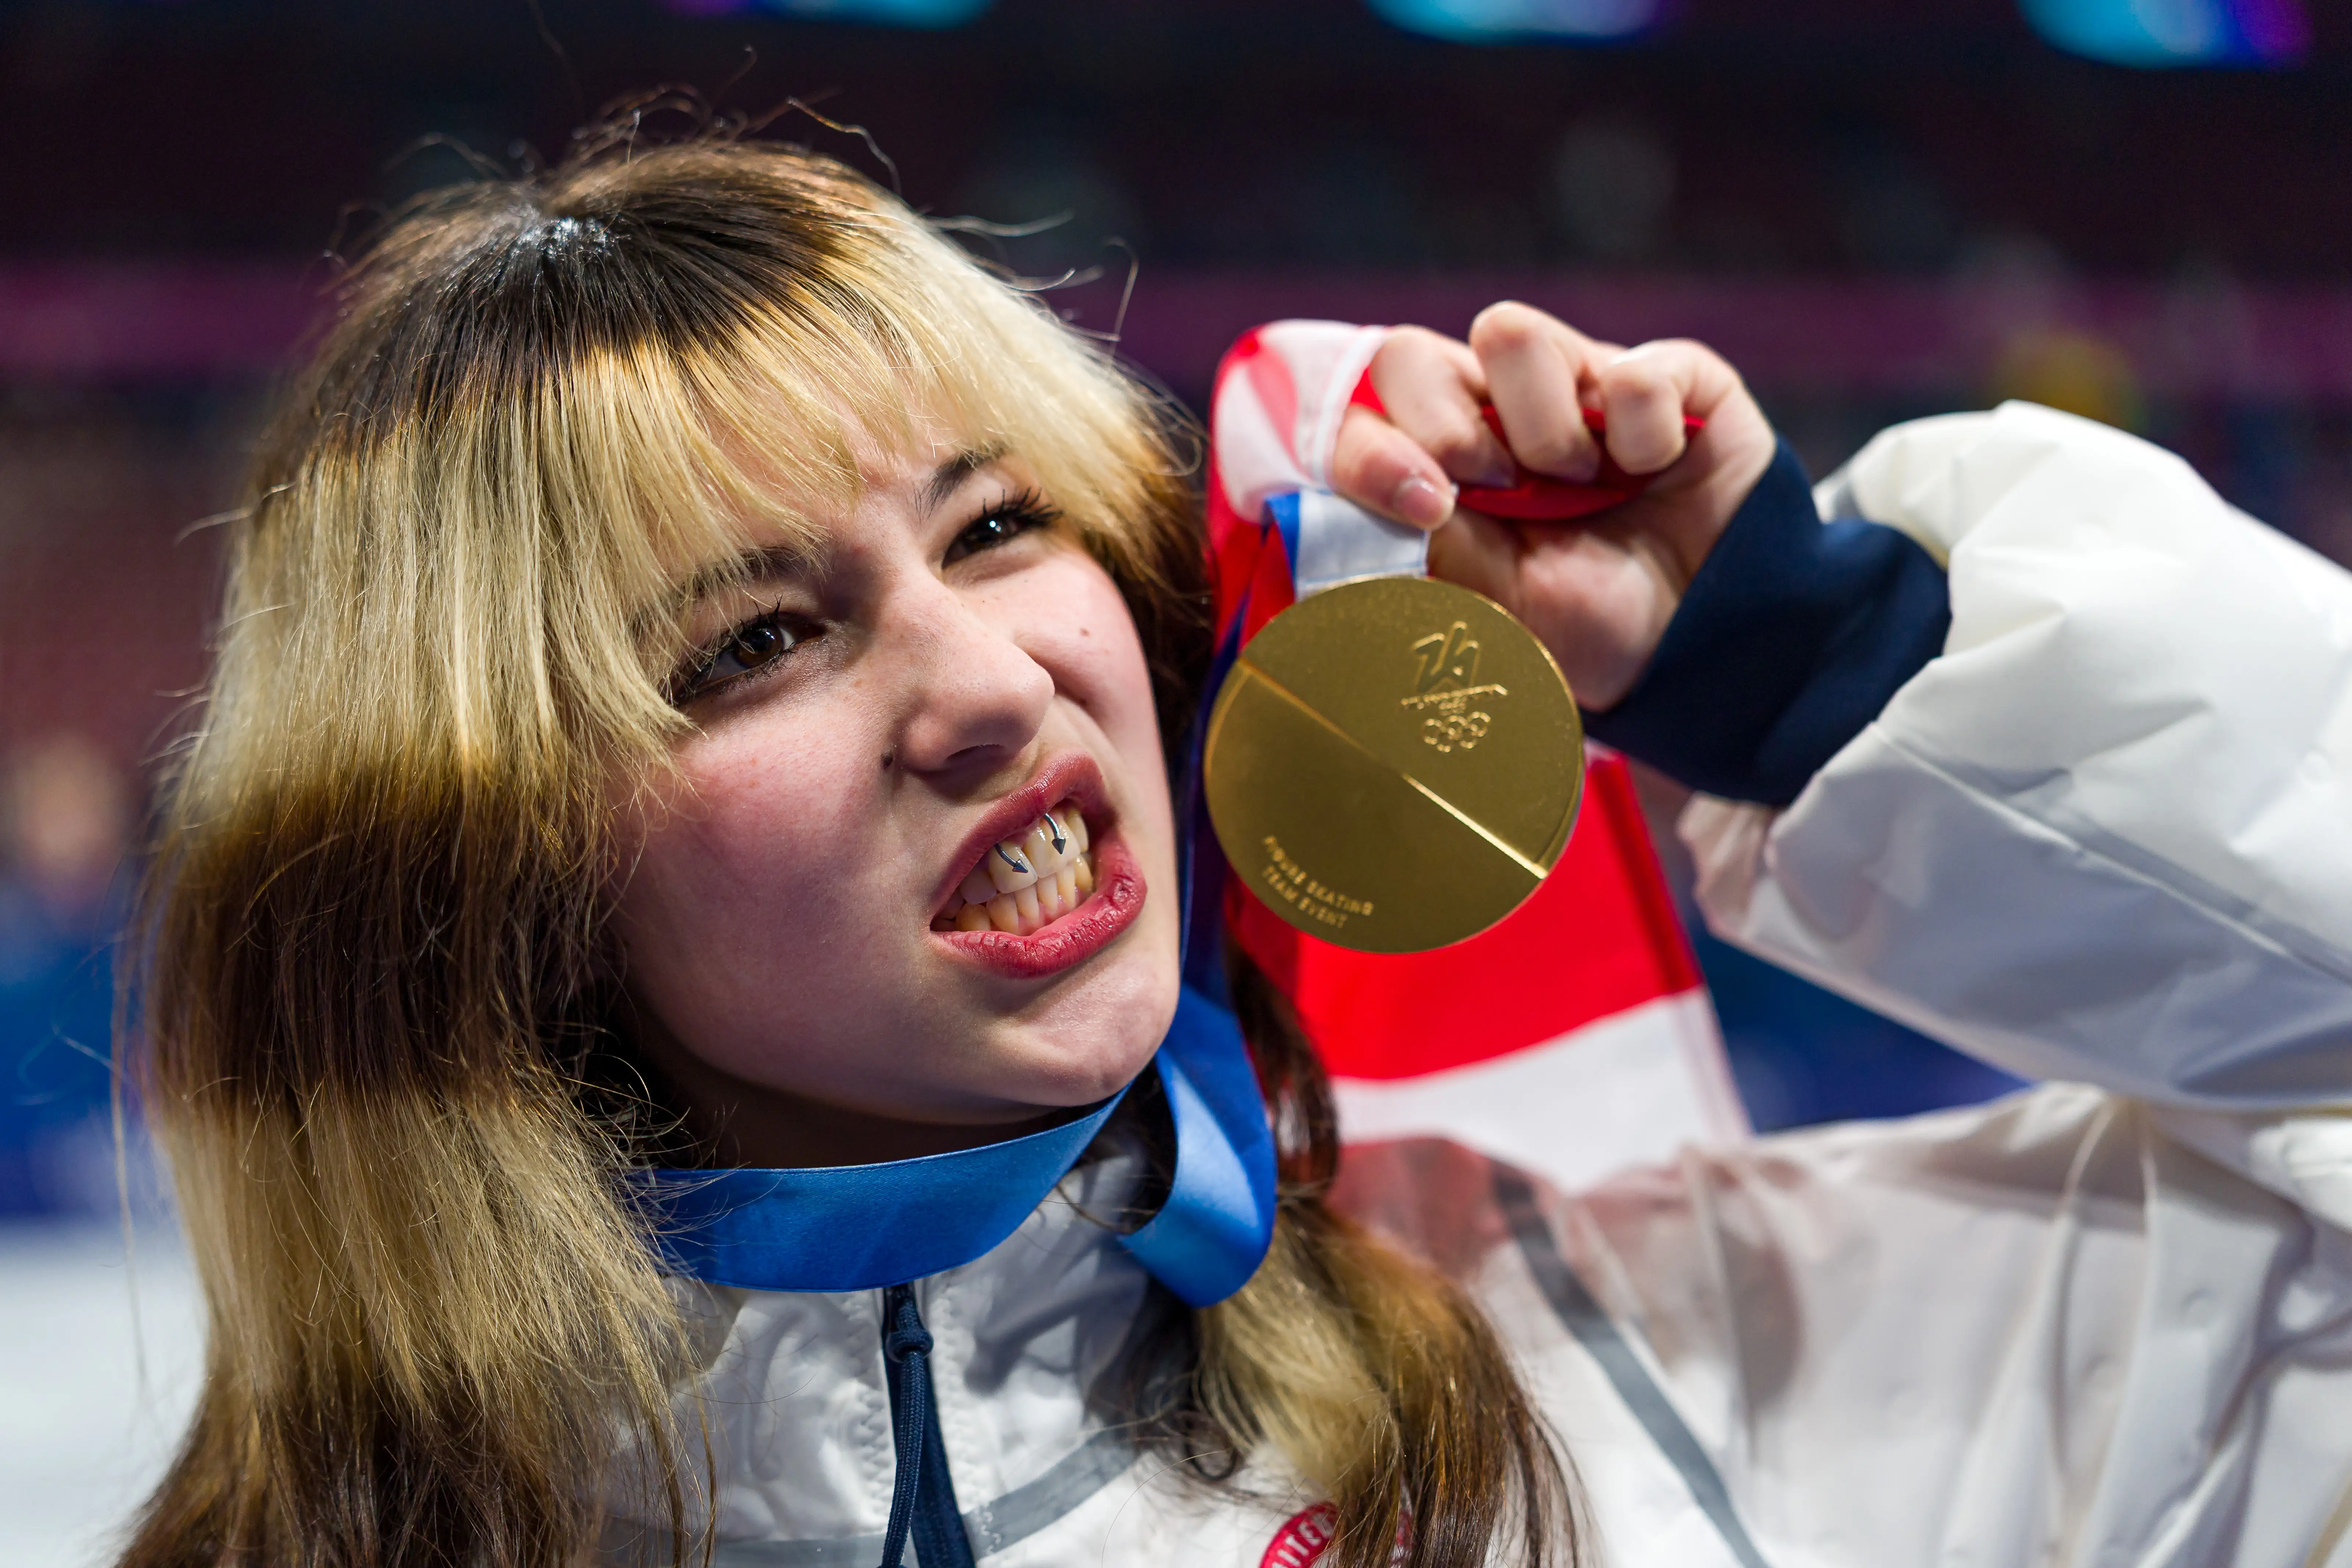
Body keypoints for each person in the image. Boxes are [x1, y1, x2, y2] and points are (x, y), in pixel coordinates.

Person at [118, 128, 2352, 1568]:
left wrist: (1815, 662)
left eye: (1004, 524)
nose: (991, 678)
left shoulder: (1627, 1363)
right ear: (486, 886)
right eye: (758, 641)